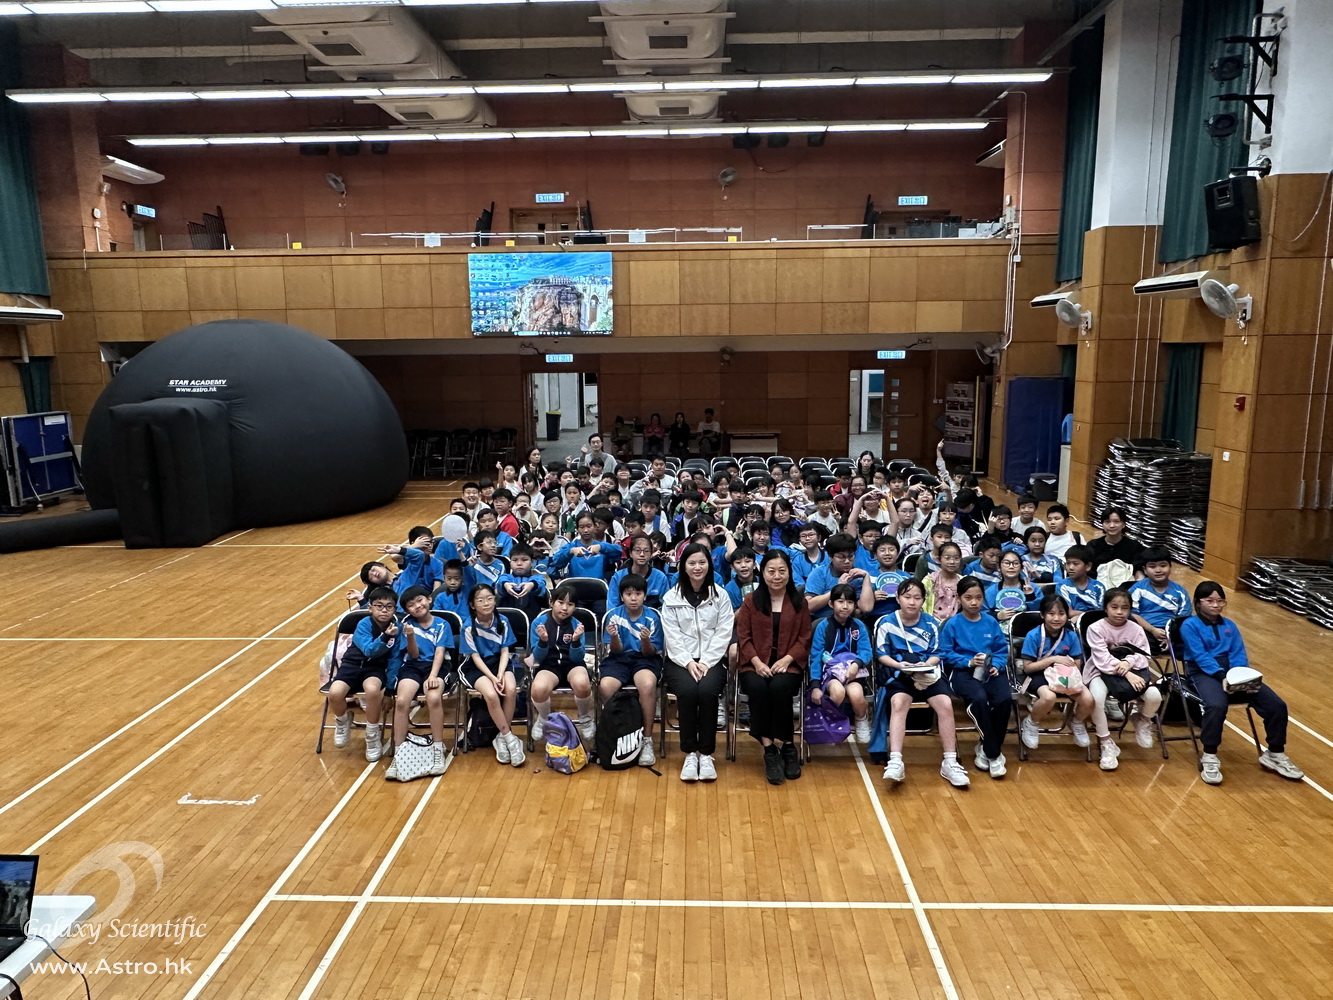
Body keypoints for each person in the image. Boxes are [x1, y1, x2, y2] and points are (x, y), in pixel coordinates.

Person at [1179, 582, 1304, 785]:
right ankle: (1209, 755)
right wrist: (1221, 677)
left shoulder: (1230, 625)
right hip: (1203, 672)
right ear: (1198, 602)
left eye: (1220, 601)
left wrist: (1239, 676)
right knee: (1216, 705)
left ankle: (1275, 752)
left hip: (1233, 673)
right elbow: (1200, 656)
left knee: (1276, 705)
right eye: (1209, 600)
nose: (1216, 605)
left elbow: (1238, 652)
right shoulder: (1189, 625)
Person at [874, 578, 970, 787]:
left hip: (927, 674)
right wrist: (900, 666)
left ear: (924, 600)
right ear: (898, 598)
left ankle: (950, 761)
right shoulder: (886, 623)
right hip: (900, 673)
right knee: (898, 703)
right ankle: (896, 761)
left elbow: (937, 653)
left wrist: (925, 665)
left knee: (945, 704)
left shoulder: (931, 623)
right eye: (907, 597)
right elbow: (882, 655)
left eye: (917, 598)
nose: (912, 602)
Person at [735, 550, 813, 784]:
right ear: (763, 572)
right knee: (758, 689)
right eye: (771, 571)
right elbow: (743, 636)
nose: (776, 576)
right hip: (754, 663)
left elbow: (804, 638)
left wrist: (787, 659)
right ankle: (770, 749)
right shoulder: (751, 601)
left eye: (782, 571)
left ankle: (788, 745)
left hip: (788, 663)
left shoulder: (799, 602)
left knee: (779, 688)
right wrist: (757, 662)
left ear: (789, 573)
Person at [661, 542, 735, 782]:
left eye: (702, 562)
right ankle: (690, 753)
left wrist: (706, 661)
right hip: (679, 660)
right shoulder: (671, 597)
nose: (697, 567)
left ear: (709, 565)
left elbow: (724, 632)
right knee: (688, 692)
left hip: (712, 660)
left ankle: (706, 754)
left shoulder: (720, 595)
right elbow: (672, 636)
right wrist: (688, 662)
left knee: (706, 691)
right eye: (691, 563)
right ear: (683, 566)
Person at [939, 575, 1012, 779]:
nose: (974, 602)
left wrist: (996, 665)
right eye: (968, 597)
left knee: (1004, 699)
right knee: (979, 698)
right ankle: (994, 753)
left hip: (989, 670)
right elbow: (945, 654)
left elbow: (1000, 650)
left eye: (978, 598)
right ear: (959, 598)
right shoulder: (952, 624)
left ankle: (984, 746)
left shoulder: (990, 622)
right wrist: (968, 662)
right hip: (962, 672)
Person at [1083, 588, 1163, 771]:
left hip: (1133, 671)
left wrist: (1128, 663)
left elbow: (1144, 656)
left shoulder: (1136, 629)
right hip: (1100, 672)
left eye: (1124, 608)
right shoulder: (1095, 628)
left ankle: (1142, 719)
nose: (1119, 612)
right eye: (1114, 607)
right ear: (1105, 608)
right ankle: (1106, 742)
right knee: (1096, 699)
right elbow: (1102, 660)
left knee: (1155, 696)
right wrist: (1126, 672)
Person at [386, 586, 454, 780]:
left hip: (437, 666)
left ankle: (437, 748)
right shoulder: (406, 625)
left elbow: (440, 652)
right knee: (401, 702)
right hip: (413, 666)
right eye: (411, 604)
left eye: (420, 600)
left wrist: (433, 675)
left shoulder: (442, 624)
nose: (417, 606)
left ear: (429, 600)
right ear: (407, 610)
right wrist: (410, 636)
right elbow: (414, 655)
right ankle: (399, 753)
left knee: (433, 698)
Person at [326, 586, 400, 763]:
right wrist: (384, 637)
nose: (384, 610)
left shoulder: (397, 629)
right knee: (335, 693)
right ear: (370, 608)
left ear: (395, 609)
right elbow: (369, 650)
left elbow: (395, 659)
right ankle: (342, 720)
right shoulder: (364, 624)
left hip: (375, 668)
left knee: (372, 690)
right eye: (379, 606)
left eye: (389, 606)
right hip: (352, 665)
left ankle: (372, 735)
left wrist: (390, 690)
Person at [599, 574, 664, 768]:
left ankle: (646, 740)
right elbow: (615, 651)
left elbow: (650, 652)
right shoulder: (613, 616)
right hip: (619, 659)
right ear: (621, 596)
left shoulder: (652, 617)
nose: (633, 598)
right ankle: (615, 734)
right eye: (628, 594)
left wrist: (645, 640)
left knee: (647, 685)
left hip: (645, 659)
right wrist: (614, 637)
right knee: (606, 686)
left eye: (638, 593)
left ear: (645, 596)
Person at [1017, 594, 1093, 752]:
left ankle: (1076, 722)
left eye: (1061, 613)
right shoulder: (1033, 635)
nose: (1056, 618)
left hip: (1065, 675)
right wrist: (1053, 659)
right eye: (1051, 614)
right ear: (1042, 615)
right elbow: (1028, 668)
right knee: (1049, 697)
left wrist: (1062, 668)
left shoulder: (1071, 635)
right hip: (1038, 674)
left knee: (1088, 700)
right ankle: (1032, 722)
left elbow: (1077, 663)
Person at [459, 583, 524, 766]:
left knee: (510, 689)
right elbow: (475, 657)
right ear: (472, 605)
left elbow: (505, 651)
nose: (486, 603)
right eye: (480, 600)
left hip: (500, 663)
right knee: (491, 694)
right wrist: (493, 678)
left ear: (495, 600)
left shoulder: (503, 621)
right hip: (476, 667)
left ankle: (501, 739)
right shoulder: (468, 627)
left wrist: (501, 674)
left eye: (489, 599)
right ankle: (510, 739)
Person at [527, 583, 596, 744]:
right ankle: (544, 718)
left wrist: (576, 641)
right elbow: (537, 658)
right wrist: (543, 641)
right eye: (560, 602)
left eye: (570, 604)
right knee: (538, 689)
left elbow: (577, 658)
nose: (565, 608)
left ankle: (584, 717)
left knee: (582, 683)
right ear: (551, 603)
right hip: (548, 665)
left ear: (575, 607)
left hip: (572, 664)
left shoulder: (577, 625)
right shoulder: (539, 623)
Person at [809, 583, 874, 743]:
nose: (845, 606)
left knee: (857, 694)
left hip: (854, 673)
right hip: (830, 674)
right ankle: (830, 722)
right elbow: (816, 656)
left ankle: (861, 719)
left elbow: (866, 651)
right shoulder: (823, 626)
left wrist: (856, 664)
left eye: (850, 602)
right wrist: (815, 685)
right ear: (831, 604)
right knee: (837, 693)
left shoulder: (859, 626)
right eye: (840, 601)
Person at [1129, 548, 1191, 654]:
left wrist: (1170, 636)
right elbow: (1132, 615)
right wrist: (1152, 630)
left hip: (1171, 632)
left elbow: (1183, 619)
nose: (1158, 570)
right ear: (1145, 570)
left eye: (1163, 565)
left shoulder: (1180, 592)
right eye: (1152, 566)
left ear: (1170, 567)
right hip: (1145, 630)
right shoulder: (1137, 589)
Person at [610, 534, 671, 608]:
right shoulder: (618, 577)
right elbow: (612, 607)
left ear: (651, 553)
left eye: (646, 551)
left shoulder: (660, 577)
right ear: (630, 553)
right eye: (637, 550)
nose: (642, 554)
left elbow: (666, 606)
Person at [1087, 507, 1145, 584]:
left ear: (1123, 524)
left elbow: (1139, 573)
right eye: (1107, 522)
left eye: (1116, 521)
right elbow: (1088, 573)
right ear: (1102, 524)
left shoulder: (1134, 546)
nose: (1112, 525)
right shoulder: (1093, 545)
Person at [495, 543, 547, 619]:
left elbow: (540, 584)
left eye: (524, 560)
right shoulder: (506, 577)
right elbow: (501, 582)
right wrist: (506, 585)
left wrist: (532, 585)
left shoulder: (537, 578)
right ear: (510, 562)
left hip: (531, 619)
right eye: (515, 560)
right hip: (507, 620)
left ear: (532, 562)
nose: (519, 563)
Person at [1057, 544, 1105, 620]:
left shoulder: (1099, 587)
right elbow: (1068, 612)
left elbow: (1102, 613)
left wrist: (1081, 615)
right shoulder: (1062, 586)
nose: (1070, 567)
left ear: (1088, 566)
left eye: (1075, 564)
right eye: (1068, 563)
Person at [925, 541, 963, 622]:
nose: (952, 562)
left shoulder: (963, 582)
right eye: (947, 558)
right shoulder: (930, 580)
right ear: (939, 559)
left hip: (955, 623)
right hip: (932, 622)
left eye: (956, 558)